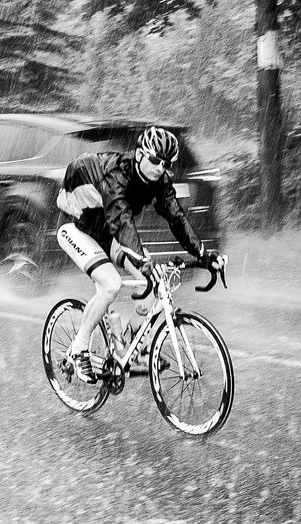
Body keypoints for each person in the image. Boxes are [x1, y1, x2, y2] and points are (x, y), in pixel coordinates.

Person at [55, 126, 220, 384]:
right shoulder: (116, 174)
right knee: (111, 284)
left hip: (106, 231)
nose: (160, 167)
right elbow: (122, 223)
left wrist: (203, 254)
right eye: (155, 160)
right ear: (140, 154)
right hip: (75, 227)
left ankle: (132, 345)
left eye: (167, 163)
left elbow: (176, 217)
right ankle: (78, 350)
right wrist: (144, 263)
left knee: (155, 281)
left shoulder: (159, 180)